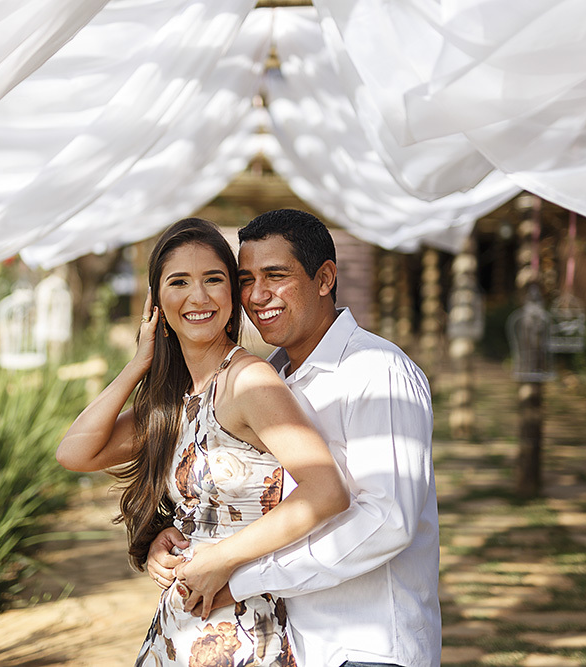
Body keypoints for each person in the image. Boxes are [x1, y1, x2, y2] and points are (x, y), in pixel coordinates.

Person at [148, 209, 441, 667]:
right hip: (293, 644)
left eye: (276, 276)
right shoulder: (271, 378)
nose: (257, 295)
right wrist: (180, 542)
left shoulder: (375, 371)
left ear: (324, 279)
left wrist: (240, 576)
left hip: (367, 645)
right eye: (246, 280)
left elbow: (387, 520)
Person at [55, 217, 349, 666]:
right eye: (179, 282)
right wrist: (139, 362)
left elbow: (326, 491)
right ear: (156, 302)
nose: (198, 297)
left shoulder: (249, 381)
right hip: (178, 630)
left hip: (239, 632)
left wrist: (221, 558)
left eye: (213, 279)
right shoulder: (177, 401)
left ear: (231, 293)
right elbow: (74, 452)